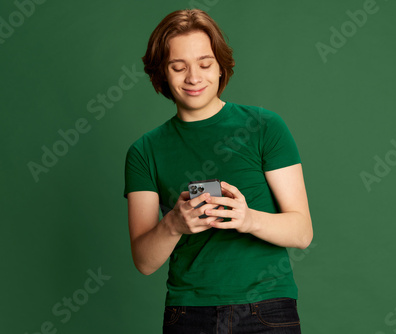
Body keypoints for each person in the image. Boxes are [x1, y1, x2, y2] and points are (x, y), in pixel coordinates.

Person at [123, 8, 313, 334]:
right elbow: (144, 261)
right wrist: (174, 223)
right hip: (188, 313)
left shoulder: (265, 127)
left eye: (205, 64)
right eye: (178, 67)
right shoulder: (144, 150)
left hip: (267, 309)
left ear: (222, 67)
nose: (193, 77)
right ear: (161, 74)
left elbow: (302, 232)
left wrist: (246, 218)